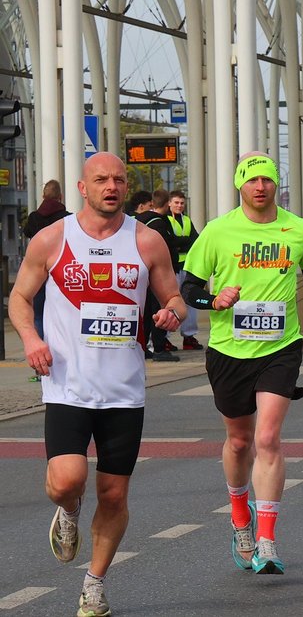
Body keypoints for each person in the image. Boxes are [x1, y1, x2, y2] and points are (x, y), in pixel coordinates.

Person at [9, 152, 186, 617]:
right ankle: (68, 511)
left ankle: (95, 583)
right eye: (101, 179)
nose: (111, 186)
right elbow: (20, 297)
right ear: (82, 188)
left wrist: (171, 312)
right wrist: (31, 338)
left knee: (113, 494)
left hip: (124, 389)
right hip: (67, 384)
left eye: (119, 179)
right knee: (68, 480)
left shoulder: (147, 242)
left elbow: (173, 296)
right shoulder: (52, 239)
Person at [181, 152, 303, 575]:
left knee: (267, 438)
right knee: (240, 441)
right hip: (228, 348)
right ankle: (240, 517)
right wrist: (215, 300)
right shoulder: (218, 231)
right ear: (239, 185)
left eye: (267, 180)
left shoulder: (298, 229)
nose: (260, 187)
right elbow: (191, 288)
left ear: (275, 185)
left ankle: (266, 537)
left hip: (281, 347)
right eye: (253, 180)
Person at [135, 190, 180, 362]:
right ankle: (160, 348)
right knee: (161, 309)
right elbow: (169, 245)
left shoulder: (138, 221)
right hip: (158, 272)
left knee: (146, 311)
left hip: (142, 271)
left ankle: (144, 345)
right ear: (167, 203)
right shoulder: (161, 224)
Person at [23, 179, 70, 344]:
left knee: (38, 312)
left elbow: (27, 231)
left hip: (38, 270)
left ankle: (41, 348)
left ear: (43, 196)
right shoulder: (67, 218)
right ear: (61, 197)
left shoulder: (34, 217)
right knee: (64, 311)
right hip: (61, 270)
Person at [168, 190, 204, 351]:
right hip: (172, 267)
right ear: (169, 203)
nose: (179, 205)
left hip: (187, 266)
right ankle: (165, 338)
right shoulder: (166, 220)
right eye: (176, 202)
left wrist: (180, 243)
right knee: (170, 302)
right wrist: (183, 242)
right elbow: (170, 241)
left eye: (182, 203)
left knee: (189, 301)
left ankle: (189, 336)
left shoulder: (187, 220)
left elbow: (195, 241)